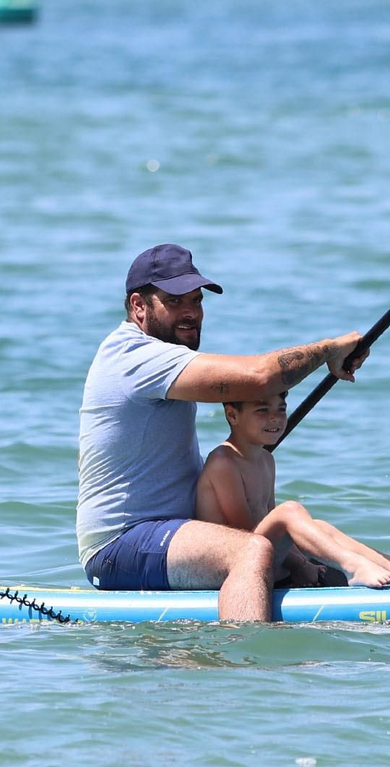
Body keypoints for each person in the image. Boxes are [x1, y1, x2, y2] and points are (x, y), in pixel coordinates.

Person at [76, 243, 371, 621]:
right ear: (138, 306)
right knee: (252, 550)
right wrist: (329, 350)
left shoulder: (166, 356)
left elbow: (254, 388)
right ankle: (244, 663)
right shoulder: (132, 356)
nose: (191, 313)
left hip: (176, 534)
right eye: (175, 301)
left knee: (311, 548)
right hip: (121, 544)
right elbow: (258, 378)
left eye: (196, 301)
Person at [195, 390, 390, 589]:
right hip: (231, 567)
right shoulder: (223, 462)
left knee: (319, 526)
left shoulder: (265, 460)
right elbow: (243, 537)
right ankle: (354, 567)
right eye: (262, 410)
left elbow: (267, 523)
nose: (275, 418)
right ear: (232, 415)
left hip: (259, 555)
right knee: (290, 511)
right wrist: (301, 564)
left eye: (281, 409)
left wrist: (302, 561)